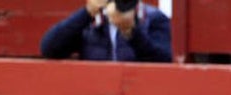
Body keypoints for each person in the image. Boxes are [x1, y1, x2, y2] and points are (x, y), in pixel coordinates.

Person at [40, 0, 172, 63]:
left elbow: (163, 61)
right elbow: (50, 49)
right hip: (94, 94)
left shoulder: (154, 18)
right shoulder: (89, 21)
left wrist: (131, 32)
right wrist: (86, 12)